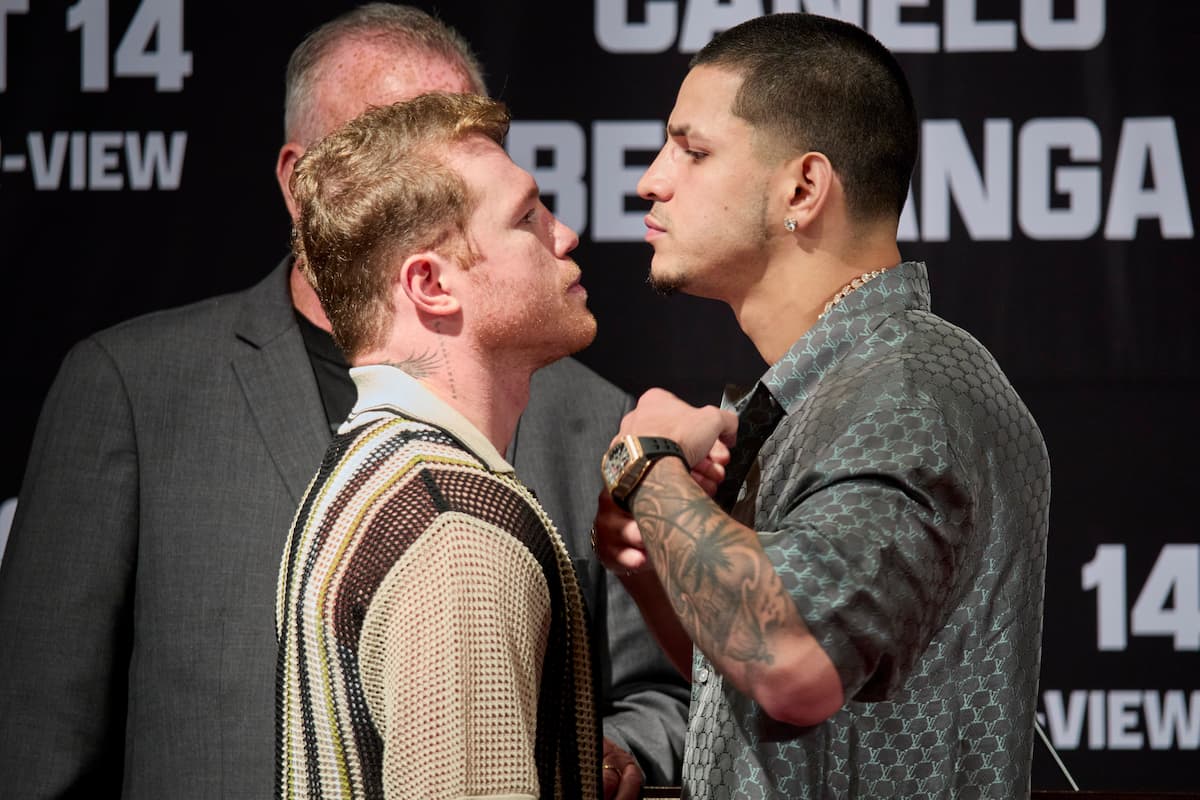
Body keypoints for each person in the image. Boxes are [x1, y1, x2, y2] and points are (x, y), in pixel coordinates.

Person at [0, 5, 684, 798]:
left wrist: (583, 748)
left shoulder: (592, 417)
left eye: (458, 133)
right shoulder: (131, 388)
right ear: (302, 184)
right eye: (387, 139)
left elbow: (665, 693)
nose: (423, 162)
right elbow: (34, 741)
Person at [592, 12, 1051, 798]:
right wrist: (648, 555)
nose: (652, 180)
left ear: (803, 188)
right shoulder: (836, 392)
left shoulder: (910, 391)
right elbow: (744, 677)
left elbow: (793, 665)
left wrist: (647, 467)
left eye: (693, 150)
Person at [277, 91, 600, 799]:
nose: (566, 234)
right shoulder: (452, 527)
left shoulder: (368, 471)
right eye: (527, 217)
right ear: (430, 283)